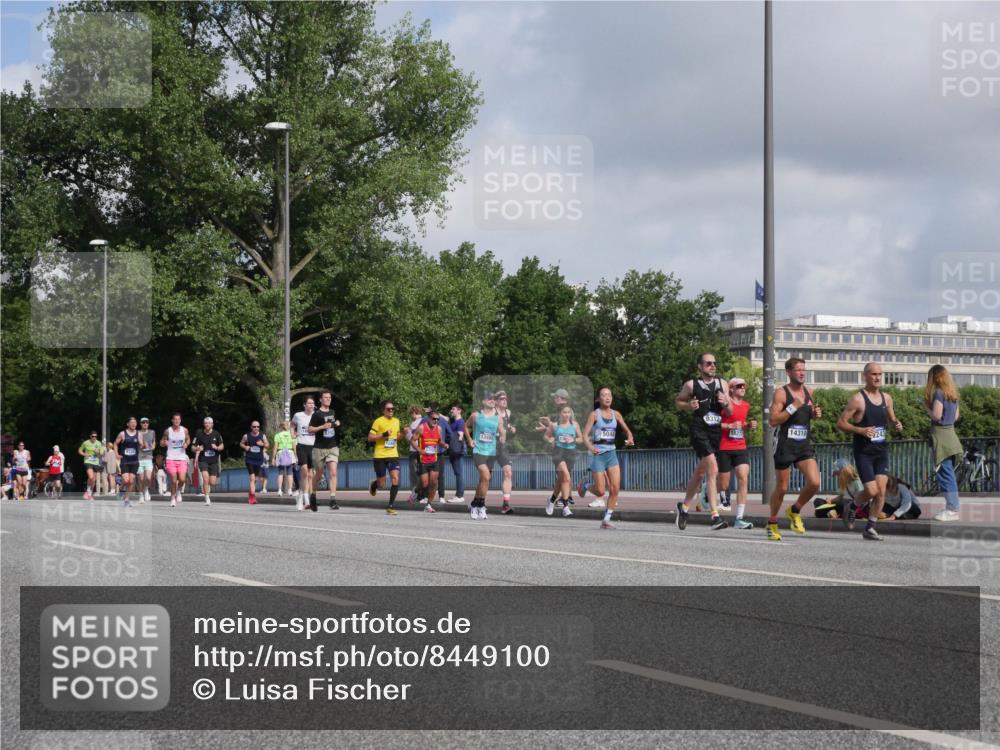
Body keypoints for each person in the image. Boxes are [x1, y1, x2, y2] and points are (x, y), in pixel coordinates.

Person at [836, 363, 903, 541]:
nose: (877, 377)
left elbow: (891, 420)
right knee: (871, 491)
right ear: (865, 376)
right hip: (864, 452)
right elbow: (841, 423)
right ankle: (852, 506)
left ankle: (870, 528)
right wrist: (861, 430)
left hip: (881, 450)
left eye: (880, 374)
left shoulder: (887, 398)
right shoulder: (858, 399)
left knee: (881, 492)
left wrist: (896, 424)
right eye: (873, 374)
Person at [766, 357, 823, 540]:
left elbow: (805, 415)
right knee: (782, 488)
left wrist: (814, 414)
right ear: (789, 372)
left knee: (814, 482)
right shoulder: (781, 393)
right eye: (798, 370)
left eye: (803, 370)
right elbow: (773, 421)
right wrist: (792, 407)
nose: (802, 373)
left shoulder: (809, 391)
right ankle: (772, 523)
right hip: (785, 445)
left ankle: (795, 509)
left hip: (803, 445)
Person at [674, 353, 730, 531]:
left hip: (715, 433)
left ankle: (683, 508)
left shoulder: (722, 384)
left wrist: (726, 403)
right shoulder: (691, 385)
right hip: (699, 430)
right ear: (700, 366)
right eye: (708, 363)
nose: (712, 366)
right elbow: (678, 402)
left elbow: (729, 411)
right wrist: (688, 406)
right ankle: (715, 516)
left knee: (699, 473)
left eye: (714, 363)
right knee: (713, 469)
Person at [582, 387, 636, 529]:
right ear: (598, 399)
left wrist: (630, 438)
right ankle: (585, 486)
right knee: (600, 491)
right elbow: (584, 435)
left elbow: (628, 432)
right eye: (604, 395)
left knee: (615, 488)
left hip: (611, 454)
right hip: (598, 455)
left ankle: (606, 520)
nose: (607, 397)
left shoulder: (616, 414)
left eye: (609, 395)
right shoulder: (594, 415)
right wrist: (591, 447)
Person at [716, 377, 757, 530]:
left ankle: (739, 518)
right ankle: (708, 490)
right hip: (724, 447)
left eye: (744, 386)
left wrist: (748, 425)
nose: (742, 388)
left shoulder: (746, 405)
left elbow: (740, 424)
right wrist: (729, 426)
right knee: (724, 484)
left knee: (743, 477)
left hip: (740, 446)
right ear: (731, 389)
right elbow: (713, 424)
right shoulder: (723, 404)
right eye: (739, 386)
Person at [925, 364, 963, 522]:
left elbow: (936, 416)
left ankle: (952, 509)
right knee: (949, 474)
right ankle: (951, 507)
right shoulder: (953, 394)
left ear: (934, 377)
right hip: (952, 437)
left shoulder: (939, 393)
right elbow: (955, 417)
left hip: (941, 439)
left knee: (946, 475)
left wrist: (926, 408)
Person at [464, 393, 505, 519]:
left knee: (484, 480)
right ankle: (481, 505)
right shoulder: (476, 415)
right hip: (479, 451)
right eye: (489, 399)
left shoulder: (498, 418)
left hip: (491, 452)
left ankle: (475, 504)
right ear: (483, 401)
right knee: (486, 476)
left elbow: (502, 431)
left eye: (494, 399)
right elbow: (465, 426)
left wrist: (503, 437)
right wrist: (469, 440)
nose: (492, 401)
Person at [544, 404, 582, 517]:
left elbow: (581, 439)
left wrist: (573, 439)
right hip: (558, 452)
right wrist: (550, 439)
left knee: (562, 480)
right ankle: (565, 507)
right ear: (560, 414)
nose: (567, 415)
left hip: (570, 453)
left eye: (568, 412)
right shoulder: (554, 425)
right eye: (564, 412)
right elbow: (546, 436)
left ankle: (551, 500)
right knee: (566, 477)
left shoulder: (575, 425)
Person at [368, 400, 404, 515]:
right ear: (383, 410)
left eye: (393, 409)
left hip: (393, 454)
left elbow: (397, 438)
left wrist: (403, 433)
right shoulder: (378, 421)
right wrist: (384, 434)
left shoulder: (396, 421)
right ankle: (374, 484)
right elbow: (370, 438)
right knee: (381, 484)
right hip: (380, 456)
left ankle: (390, 506)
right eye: (389, 409)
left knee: (395, 478)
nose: (391, 411)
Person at [308, 389, 341, 511]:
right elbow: (310, 429)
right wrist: (322, 426)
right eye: (326, 397)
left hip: (332, 446)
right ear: (321, 399)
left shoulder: (332, 412)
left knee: (333, 472)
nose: (328, 399)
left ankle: (332, 500)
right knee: (319, 474)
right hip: (319, 448)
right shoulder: (316, 414)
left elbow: (335, 423)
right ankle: (313, 495)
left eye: (330, 397)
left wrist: (337, 423)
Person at [411, 406, 444, 514]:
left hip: (434, 459)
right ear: (429, 418)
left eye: (438, 419)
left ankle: (429, 504)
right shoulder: (421, 428)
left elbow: (439, 441)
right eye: (434, 419)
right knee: (424, 484)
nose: (436, 421)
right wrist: (420, 450)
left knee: (434, 482)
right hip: (423, 460)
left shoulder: (439, 429)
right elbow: (412, 440)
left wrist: (444, 444)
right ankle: (416, 491)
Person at [192, 416, 225, 505]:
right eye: (206, 423)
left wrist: (217, 447)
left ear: (212, 424)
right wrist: (197, 448)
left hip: (213, 461)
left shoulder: (216, 434)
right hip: (203, 460)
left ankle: (207, 488)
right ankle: (207, 498)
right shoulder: (199, 434)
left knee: (212, 482)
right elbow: (192, 447)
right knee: (205, 479)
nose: (207, 425)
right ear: (204, 424)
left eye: (209, 423)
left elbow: (222, 446)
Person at [160, 413, 191, 507]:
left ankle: (178, 491)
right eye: (175, 419)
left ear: (180, 420)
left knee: (182, 479)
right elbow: (161, 443)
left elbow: (188, 439)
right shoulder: (167, 431)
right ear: (172, 420)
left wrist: (186, 444)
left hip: (182, 458)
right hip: (171, 458)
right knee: (173, 480)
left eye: (178, 419)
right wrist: (164, 443)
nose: (177, 421)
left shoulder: (184, 430)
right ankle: (173, 498)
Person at [292, 396, 317, 511]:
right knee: (304, 471)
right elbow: (292, 425)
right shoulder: (298, 415)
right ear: (304, 405)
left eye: (313, 403)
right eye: (309, 403)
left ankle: (301, 496)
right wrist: (292, 433)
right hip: (301, 445)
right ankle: (306, 500)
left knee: (310, 474)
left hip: (313, 446)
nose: (311, 405)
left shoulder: (316, 415)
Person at [494, 391, 517, 514]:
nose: (504, 401)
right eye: (502, 399)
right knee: (486, 476)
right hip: (490, 446)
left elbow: (508, 426)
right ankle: (478, 501)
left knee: (508, 473)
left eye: (506, 399)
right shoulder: (492, 412)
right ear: (496, 401)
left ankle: (505, 504)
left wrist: (512, 428)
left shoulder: (508, 412)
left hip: (502, 447)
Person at [114, 417, 141, 508]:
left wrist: (143, 445)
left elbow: (142, 445)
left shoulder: (139, 434)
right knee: (126, 480)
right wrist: (116, 454)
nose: (133, 424)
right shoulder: (122, 434)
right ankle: (121, 489)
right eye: (132, 422)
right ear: (128, 424)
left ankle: (126, 499)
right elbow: (115, 443)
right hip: (125, 461)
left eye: (135, 422)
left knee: (131, 481)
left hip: (134, 461)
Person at [240, 420, 268, 504]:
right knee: (252, 478)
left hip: (259, 460)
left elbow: (267, 445)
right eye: (254, 427)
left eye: (258, 427)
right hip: (249, 459)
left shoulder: (262, 436)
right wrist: (245, 447)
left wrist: (262, 444)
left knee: (255, 479)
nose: (256, 428)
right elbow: (241, 443)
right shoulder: (246, 436)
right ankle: (252, 497)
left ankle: (251, 494)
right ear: (251, 427)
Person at [445, 404, 467, 504]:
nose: (451, 410)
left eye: (453, 409)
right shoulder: (453, 421)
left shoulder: (460, 422)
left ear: (459, 410)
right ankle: (459, 495)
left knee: (459, 473)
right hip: (454, 450)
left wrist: (456, 440)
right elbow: (444, 418)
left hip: (457, 450)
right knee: (458, 472)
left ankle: (460, 495)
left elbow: (460, 435)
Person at [404, 405, 425, 504]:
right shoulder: (425, 421)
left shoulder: (414, 424)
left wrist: (407, 432)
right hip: (422, 450)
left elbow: (411, 439)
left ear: (413, 412)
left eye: (411, 414)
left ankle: (415, 494)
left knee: (414, 474)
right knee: (422, 473)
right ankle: (422, 495)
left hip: (414, 450)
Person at [272, 420, 296, 499]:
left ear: (281, 427)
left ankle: (279, 490)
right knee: (290, 473)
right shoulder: (291, 435)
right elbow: (294, 446)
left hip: (280, 453)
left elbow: (275, 447)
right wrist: (296, 456)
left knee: (280, 473)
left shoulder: (277, 435)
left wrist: (273, 458)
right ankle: (290, 490)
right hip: (290, 452)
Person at [78, 431, 104, 501]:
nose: (94, 438)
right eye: (93, 436)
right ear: (90, 436)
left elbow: (101, 454)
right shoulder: (85, 443)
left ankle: (89, 494)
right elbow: (79, 450)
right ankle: (88, 490)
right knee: (91, 476)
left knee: (94, 480)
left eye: (95, 436)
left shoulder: (99, 443)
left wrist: (98, 452)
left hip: (95, 462)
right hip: (88, 461)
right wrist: (84, 454)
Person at [137, 417, 156, 503]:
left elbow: (154, 441)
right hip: (139, 458)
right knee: (141, 479)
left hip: (148, 457)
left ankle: (146, 489)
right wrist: (142, 445)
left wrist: (153, 446)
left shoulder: (152, 432)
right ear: (140, 424)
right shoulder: (137, 433)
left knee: (148, 478)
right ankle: (141, 495)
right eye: (143, 422)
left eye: (147, 422)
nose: (145, 424)